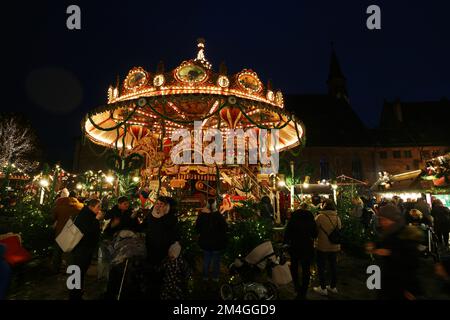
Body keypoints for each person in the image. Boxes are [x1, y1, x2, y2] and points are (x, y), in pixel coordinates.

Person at [366, 204, 423, 300]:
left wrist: (390, 253)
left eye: (385, 220)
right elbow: (384, 245)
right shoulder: (388, 233)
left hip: (402, 285)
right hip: (388, 283)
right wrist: (374, 245)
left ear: (394, 219)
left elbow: (413, 262)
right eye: (381, 219)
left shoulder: (406, 234)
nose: (382, 223)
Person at [142, 196, 180, 299]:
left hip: (164, 249)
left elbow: (173, 232)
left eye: (161, 204)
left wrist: (163, 216)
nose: (158, 206)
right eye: (157, 204)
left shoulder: (171, 217)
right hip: (151, 247)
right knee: (151, 269)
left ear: (166, 206)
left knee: (162, 272)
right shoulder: (151, 215)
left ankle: (162, 291)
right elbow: (144, 226)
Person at [69, 198, 102, 300]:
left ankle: (77, 292)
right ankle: (74, 295)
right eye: (98, 207)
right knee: (77, 271)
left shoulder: (87, 214)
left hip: (85, 248)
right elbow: (88, 232)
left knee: (80, 271)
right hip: (81, 248)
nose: (99, 209)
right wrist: (96, 220)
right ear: (91, 207)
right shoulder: (85, 216)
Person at [284, 203, 317, 299]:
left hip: (294, 246)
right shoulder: (310, 218)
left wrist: (286, 242)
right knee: (306, 268)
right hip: (307, 246)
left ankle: (296, 286)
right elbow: (315, 234)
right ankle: (304, 289)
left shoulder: (293, 218)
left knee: (294, 266)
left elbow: (287, 233)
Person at [195, 198, 228, 282]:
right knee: (216, 261)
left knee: (206, 260)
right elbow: (224, 227)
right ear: (215, 205)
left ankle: (205, 277)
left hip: (205, 242)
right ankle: (215, 277)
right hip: (217, 243)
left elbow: (197, 227)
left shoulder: (202, 215)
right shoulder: (218, 215)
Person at [313, 199, 341, 296]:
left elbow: (314, 228)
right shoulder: (337, 217)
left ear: (324, 205)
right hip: (334, 246)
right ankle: (333, 287)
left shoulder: (320, 217)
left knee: (321, 267)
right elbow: (339, 228)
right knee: (333, 266)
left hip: (322, 246)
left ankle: (323, 287)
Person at [51, 188, 83, 273]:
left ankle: (55, 269)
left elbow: (52, 218)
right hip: (72, 232)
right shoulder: (80, 206)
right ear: (76, 196)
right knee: (70, 253)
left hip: (59, 231)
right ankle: (70, 271)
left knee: (57, 251)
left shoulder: (59, 205)